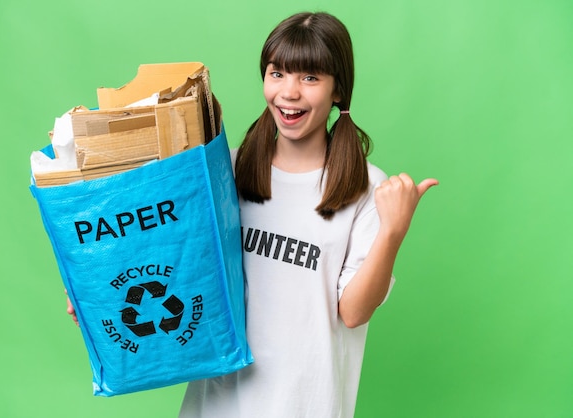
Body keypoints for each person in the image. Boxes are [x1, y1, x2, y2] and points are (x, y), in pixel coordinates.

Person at [67, 11, 437, 418]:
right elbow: (174, 265)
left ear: (338, 90)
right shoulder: (227, 171)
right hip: (217, 403)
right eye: (277, 73)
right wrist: (98, 297)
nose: (289, 93)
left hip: (305, 405)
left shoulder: (364, 187)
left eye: (310, 78)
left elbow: (353, 311)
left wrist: (393, 232)